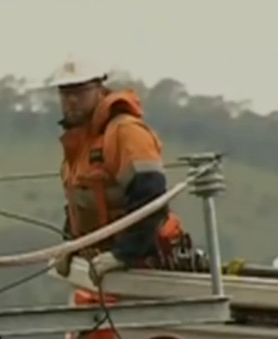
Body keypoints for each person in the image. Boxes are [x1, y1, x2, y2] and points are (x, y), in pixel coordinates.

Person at [49, 59, 186, 282]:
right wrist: (70, 245)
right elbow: (81, 205)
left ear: (99, 89)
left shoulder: (125, 133)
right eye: (65, 93)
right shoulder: (77, 146)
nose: (72, 100)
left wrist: (123, 255)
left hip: (147, 265)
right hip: (102, 266)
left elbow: (151, 202)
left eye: (81, 91)